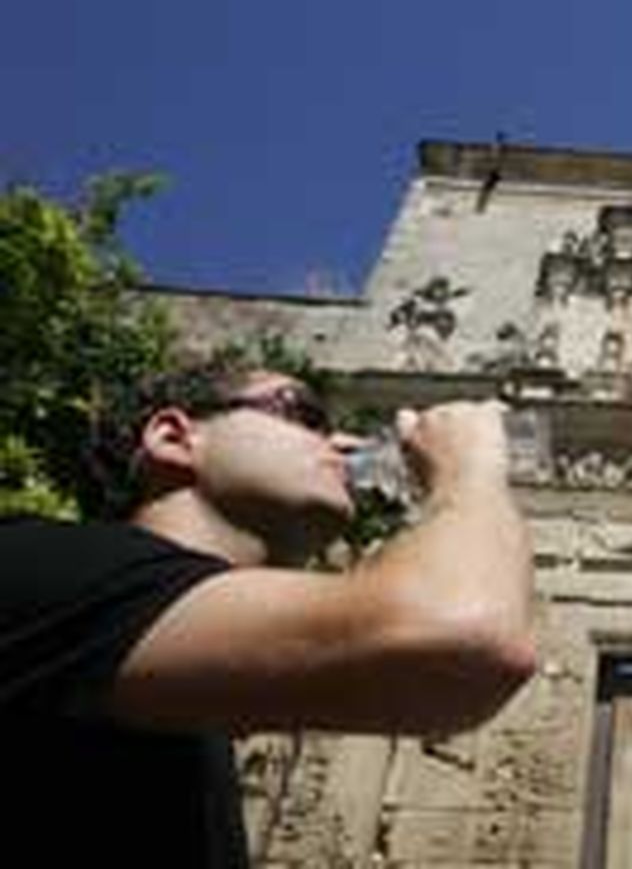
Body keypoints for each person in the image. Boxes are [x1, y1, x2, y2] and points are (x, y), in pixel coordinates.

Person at [0, 357, 538, 867]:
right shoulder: (38, 567)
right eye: (304, 415)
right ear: (173, 437)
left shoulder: (184, 711)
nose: (342, 442)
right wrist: (469, 472)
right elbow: (461, 643)